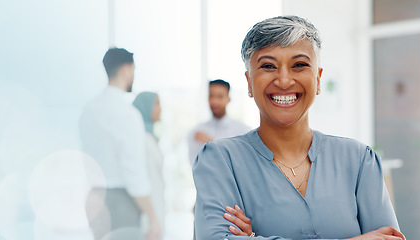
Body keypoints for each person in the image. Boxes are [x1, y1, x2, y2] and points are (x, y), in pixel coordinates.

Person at [192, 16, 405, 240]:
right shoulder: (220, 161)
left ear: (318, 79)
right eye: (268, 66)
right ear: (249, 82)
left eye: (299, 65)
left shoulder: (360, 160)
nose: (284, 81)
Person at [79, 48, 161, 240]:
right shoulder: (128, 114)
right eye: (133, 70)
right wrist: (153, 217)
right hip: (121, 202)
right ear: (126, 69)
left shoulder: (88, 110)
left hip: (94, 198)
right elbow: (134, 173)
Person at [188, 79, 251, 164]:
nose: (215, 101)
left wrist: (211, 143)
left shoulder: (243, 131)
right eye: (211, 96)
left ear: (228, 99)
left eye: (220, 97)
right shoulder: (197, 131)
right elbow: (196, 165)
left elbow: (241, 163)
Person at [133, 92, 166, 236]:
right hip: (147, 215)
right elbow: (141, 182)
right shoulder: (141, 140)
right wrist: (152, 219)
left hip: (156, 209)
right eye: (157, 104)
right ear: (146, 108)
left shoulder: (151, 138)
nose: (161, 109)